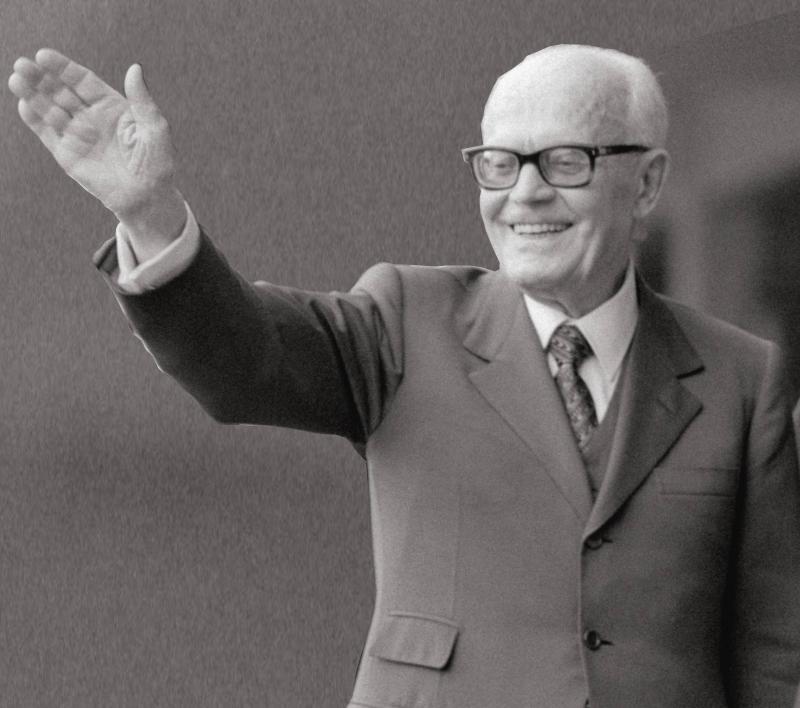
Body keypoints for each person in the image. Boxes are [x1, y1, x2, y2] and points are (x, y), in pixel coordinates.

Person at [9, 44, 800, 708]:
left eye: (565, 161)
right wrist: (151, 213)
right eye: (499, 164)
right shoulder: (406, 319)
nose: (525, 193)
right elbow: (244, 358)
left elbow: (773, 650)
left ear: (649, 182)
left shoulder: (743, 378)